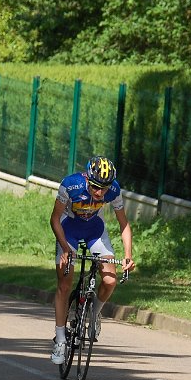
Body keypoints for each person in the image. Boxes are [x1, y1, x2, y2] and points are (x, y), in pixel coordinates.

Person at [49, 156, 136, 364]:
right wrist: (64, 248)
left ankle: (95, 313)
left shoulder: (113, 189)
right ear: (87, 178)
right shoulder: (71, 185)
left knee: (110, 280)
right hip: (68, 230)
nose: (99, 193)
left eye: (103, 189)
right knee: (64, 284)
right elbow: (54, 219)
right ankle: (60, 340)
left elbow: (124, 224)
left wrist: (128, 255)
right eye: (96, 187)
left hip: (95, 231)